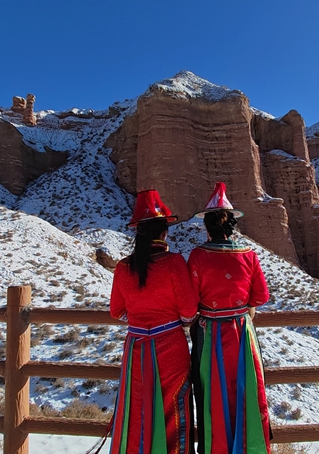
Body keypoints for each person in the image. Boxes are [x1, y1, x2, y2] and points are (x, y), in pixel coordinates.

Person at [108, 189, 197, 454]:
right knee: (173, 407)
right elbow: (189, 312)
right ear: (164, 232)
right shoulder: (174, 263)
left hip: (136, 347)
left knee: (137, 409)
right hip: (170, 345)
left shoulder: (123, 267)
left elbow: (116, 311)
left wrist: (140, 318)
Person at [188, 183, 272, 454]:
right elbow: (261, 296)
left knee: (212, 390)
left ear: (207, 227)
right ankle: (249, 445)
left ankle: (216, 446)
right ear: (231, 226)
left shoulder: (198, 256)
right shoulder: (248, 255)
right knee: (246, 388)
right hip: (242, 332)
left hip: (210, 334)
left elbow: (190, 303)